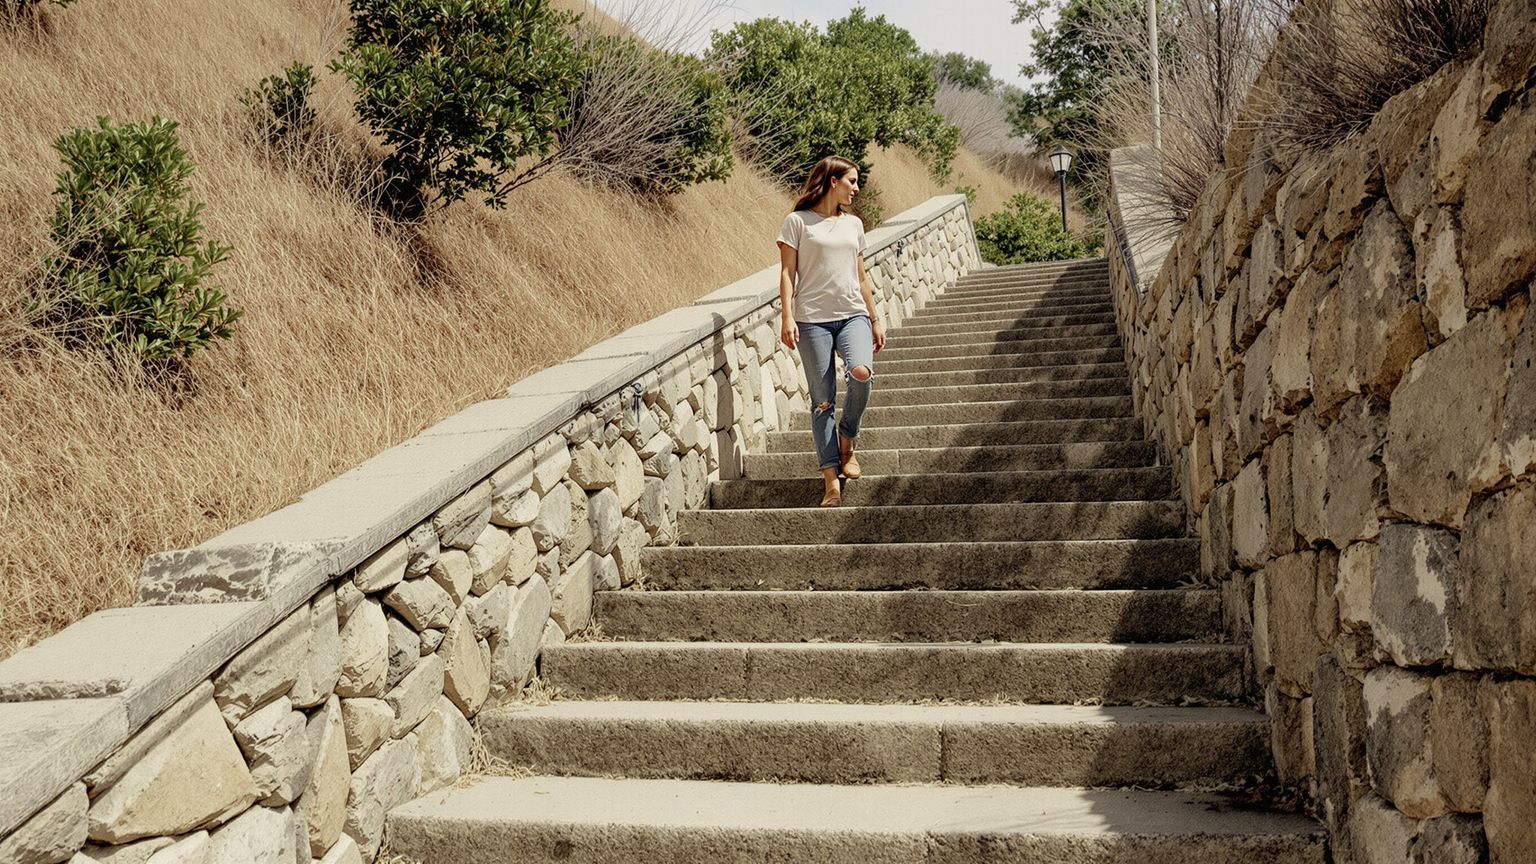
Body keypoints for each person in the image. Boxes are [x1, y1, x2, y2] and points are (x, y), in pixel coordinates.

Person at [775, 155, 887, 508]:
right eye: (851, 181)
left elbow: (862, 277)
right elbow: (787, 274)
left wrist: (875, 317)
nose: (856, 188)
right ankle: (830, 483)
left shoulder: (854, 224)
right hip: (812, 320)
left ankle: (847, 438)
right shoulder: (797, 222)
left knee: (862, 374)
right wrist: (787, 318)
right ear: (832, 180)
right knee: (822, 401)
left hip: (853, 314)